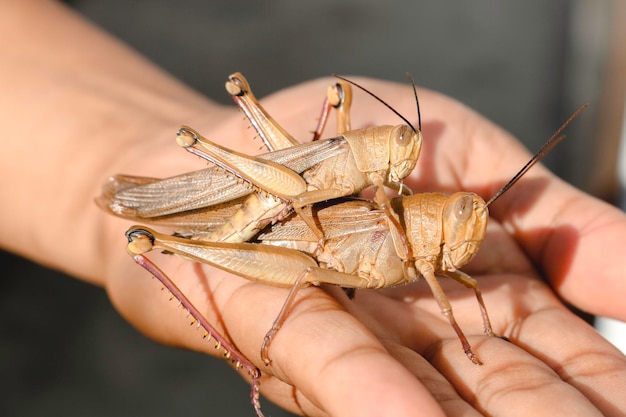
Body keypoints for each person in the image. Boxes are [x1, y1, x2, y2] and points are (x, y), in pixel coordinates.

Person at [2, 1, 626, 416]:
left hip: (310, 196)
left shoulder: (400, 201)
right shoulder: (383, 199)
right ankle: (195, 261)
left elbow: (434, 253)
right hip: (283, 236)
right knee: (295, 261)